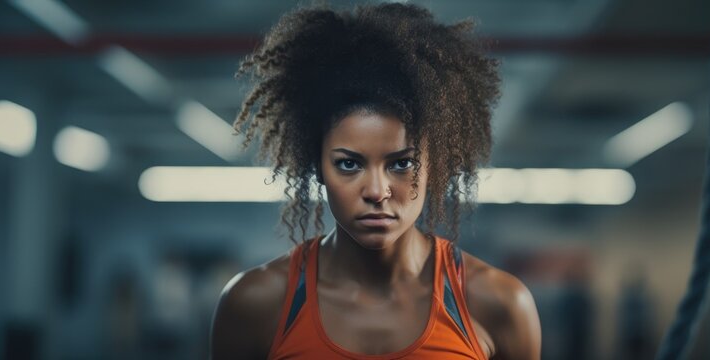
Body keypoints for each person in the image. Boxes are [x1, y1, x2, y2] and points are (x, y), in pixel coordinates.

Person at [211, 3, 541, 359]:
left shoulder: (500, 304)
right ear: (317, 167)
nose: (376, 191)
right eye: (349, 164)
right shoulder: (256, 304)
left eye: (402, 164)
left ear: (435, 165)